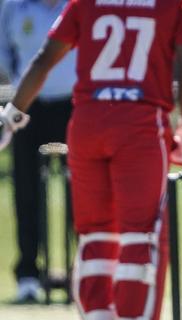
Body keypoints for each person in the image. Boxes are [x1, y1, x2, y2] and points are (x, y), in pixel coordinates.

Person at [0, 0, 182, 320]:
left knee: (95, 236)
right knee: (139, 236)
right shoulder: (178, 5)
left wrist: (13, 115)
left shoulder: (86, 2)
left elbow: (44, 59)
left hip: (87, 122)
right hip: (141, 121)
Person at [0, 0, 76, 303]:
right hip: (27, 108)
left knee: (82, 193)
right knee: (26, 191)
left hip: (74, 105)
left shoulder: (78, 4)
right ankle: (28, 275)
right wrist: (19, 85)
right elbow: (4, 48)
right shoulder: (13, 4)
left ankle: (81, 272)